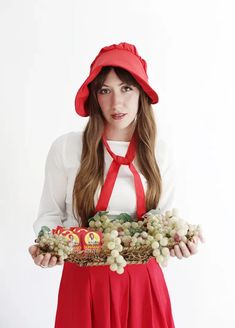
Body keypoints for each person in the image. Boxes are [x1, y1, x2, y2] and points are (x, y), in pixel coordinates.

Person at [28, 42, 202, 328]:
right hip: (83, 284)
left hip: (144, 285)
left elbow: (164, 218)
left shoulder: (160, 152)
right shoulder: (67, 148)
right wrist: (48, 245)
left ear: (141, 94)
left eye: (126, 89)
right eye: (104, 90)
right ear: (94, 97)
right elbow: (49, 214)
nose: (116, 103)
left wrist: (179, 241)